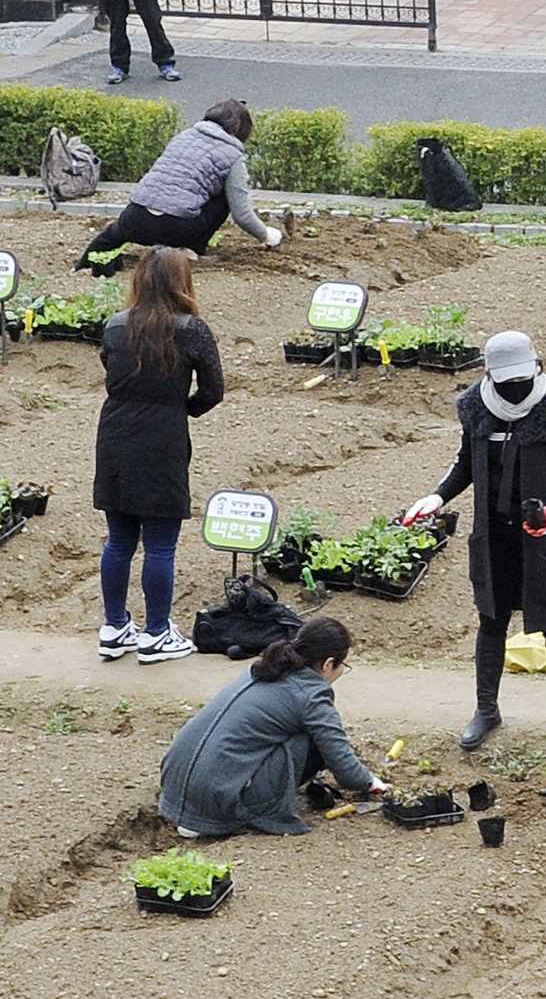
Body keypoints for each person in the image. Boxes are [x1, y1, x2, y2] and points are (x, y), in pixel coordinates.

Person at [403, 330, 546, 750]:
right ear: (490, 375)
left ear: (536, 369)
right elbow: (465, 463)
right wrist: (437, 496)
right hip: (493, 537)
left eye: (522, 379)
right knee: (492, 622)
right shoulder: (476, 412)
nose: (516, 388)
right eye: (507, 381)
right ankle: (487, 709)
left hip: (542, 536)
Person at [94, 247, 223, 664]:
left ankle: (114, 628)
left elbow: (108, 369)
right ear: (180, 282)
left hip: (114, 433)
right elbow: (212, 391)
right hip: (163, 439)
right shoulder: (192, 329)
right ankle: (156, 634)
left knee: (119, 540)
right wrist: (180, 409)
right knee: (161, 547)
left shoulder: (115, 327)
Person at [159, 617, 390, 837]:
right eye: (343, 665)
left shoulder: (264, 669)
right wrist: (371, 782)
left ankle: (197, 810)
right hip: (216, 799)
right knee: (311, 738)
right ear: (329, 664)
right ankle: (218, 817)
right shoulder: (311, 694)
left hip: (174, 783)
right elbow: (342, 764)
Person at [75, 100, 282, 274]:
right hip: (176, 228)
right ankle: (191, 249)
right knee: (225, 197)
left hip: (135, 217)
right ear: (242, 131)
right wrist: (266, 235)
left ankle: (80, 266)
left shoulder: (183, 137)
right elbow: (241, 214)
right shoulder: (233, 156)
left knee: (112, 235)